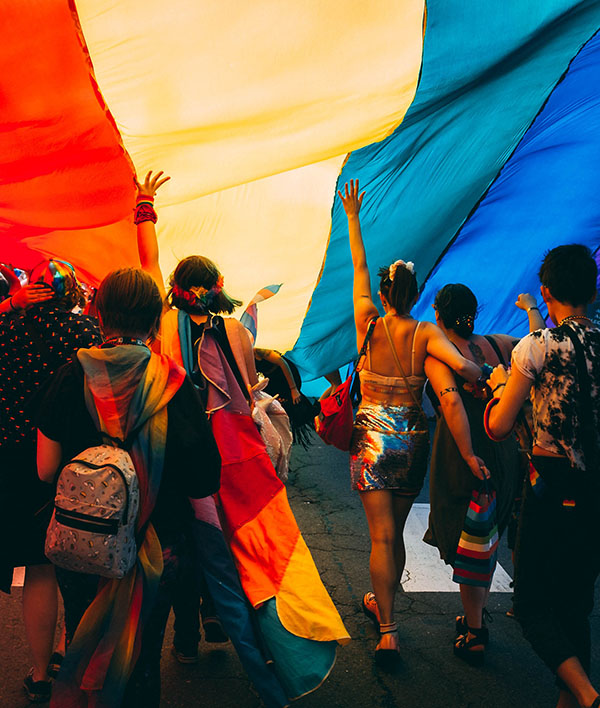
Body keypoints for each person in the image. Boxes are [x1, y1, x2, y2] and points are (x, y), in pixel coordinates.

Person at [135, 171, 350, 704]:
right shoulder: (235, 331)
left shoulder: (164, 325)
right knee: (265, 562)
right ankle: (283, 662)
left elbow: (147, 265)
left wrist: (146, 205)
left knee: (192, 557)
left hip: (182, 457)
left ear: (176, 290)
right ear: (217, 284)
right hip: (239, 460)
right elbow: (245, 391)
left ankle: (181, 646)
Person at [33, 267, 221, 707]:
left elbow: (45, 470)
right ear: (156, 321)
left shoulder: (70, 376)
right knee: (143, 658)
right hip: (155, 548)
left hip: (82, 544)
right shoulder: (176, 387)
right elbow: (203, 480)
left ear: (99, 316)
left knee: (85, 639)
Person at [337, 180, 486, 666]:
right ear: (418, 293)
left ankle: (388, 630)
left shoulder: (369, 322)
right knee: (394, 535)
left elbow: (359, 267)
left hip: (373, 435)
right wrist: (488, 375)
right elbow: (464, 369)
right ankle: (384, 604)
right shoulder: (424, 332)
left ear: (384, 292)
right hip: (413, 437)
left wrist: (354, 218)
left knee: (379, 538)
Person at [486, 244, 600, 708]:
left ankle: (589, 695)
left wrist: (497, 389)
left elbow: (498, 426)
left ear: (546, 291)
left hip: (551, 486)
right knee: (576, 604)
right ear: (592, 291)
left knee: (532, 604)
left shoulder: (538, 346)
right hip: (595, 488)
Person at [0, 258, 99, 702]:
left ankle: (40, 676)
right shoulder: (85, 336)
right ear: (73, 293)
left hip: (16, 462)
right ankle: (69, 657)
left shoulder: (7, 330)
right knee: (74, 563)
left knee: (39, 568)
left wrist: (7, 306)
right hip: (73, 464)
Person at [423, 283, 521, 664]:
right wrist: (531, 309)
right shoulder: (498, 345)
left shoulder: (439, 357)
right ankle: (473, 615)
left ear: (439, 315)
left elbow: (450, 403)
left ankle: (475, 629)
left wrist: (465, 454)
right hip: (503, 448)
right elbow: (534, 344)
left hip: (463, 454)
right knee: (487, 534)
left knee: (467, 538)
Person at [254, 347, 315, 447]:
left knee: (295, 404)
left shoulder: (259, 349)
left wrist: (293, 389)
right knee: (276, 405)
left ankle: (313, 414)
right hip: (272, 379)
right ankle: (280, 435)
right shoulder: (245, 354)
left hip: (284, 376)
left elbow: (283, 363)